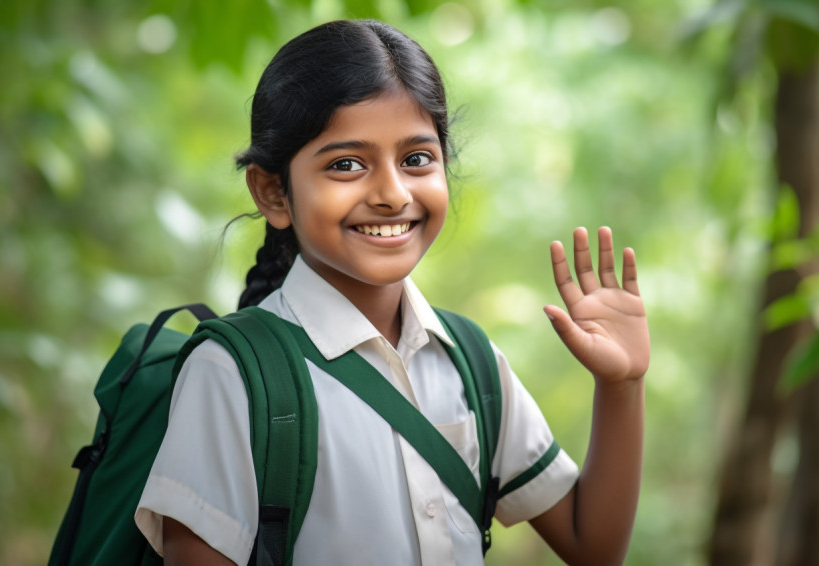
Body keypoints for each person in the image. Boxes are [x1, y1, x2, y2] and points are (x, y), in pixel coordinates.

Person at [134, 19, 650, 566]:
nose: (391, 193)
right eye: (347, 164)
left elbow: (592, 546)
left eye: (416, 159)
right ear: (272, 192)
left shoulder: (472, 362)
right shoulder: (230, 373)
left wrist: (622, 385)